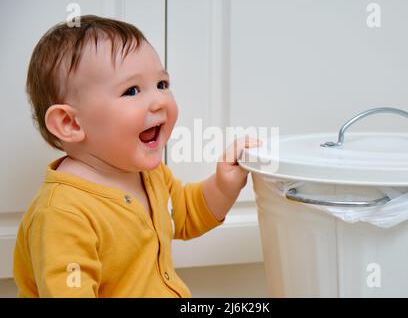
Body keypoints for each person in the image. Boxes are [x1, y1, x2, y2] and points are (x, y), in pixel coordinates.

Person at [13, 15, 259, 297]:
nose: (159, 101)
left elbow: (184, 214)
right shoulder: (63, 214)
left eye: (162, 84)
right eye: (131, 90)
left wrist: (223, 186)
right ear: (71, 123)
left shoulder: (147, 173)